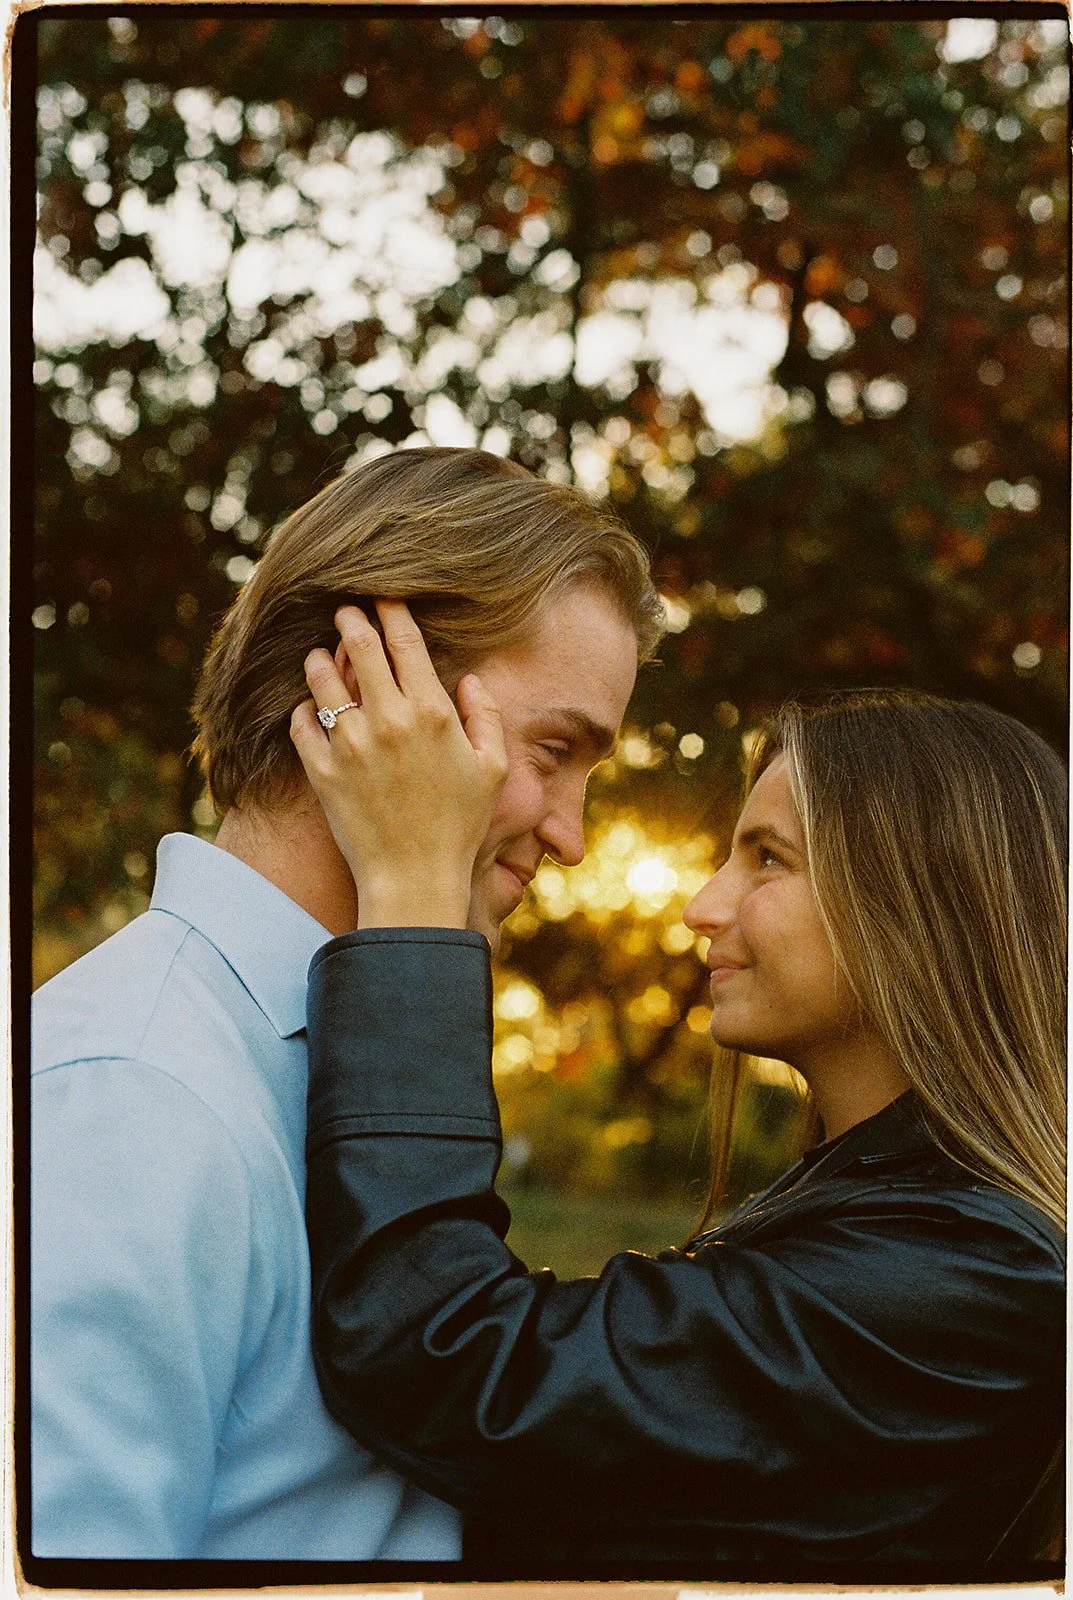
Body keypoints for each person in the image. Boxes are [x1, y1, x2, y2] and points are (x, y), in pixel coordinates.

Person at [294, 605, 1065, 1580]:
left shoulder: (968, 1274)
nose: (704, 906)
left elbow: (447, 1356)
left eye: (767, 858)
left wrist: (409, 895)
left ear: (919, 903)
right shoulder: (887, 1219)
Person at [30, 446, 663, 1559]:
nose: (568, 833)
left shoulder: (347, 1061)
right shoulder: (129, 1098)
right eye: (554, 750)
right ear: (369, 695)